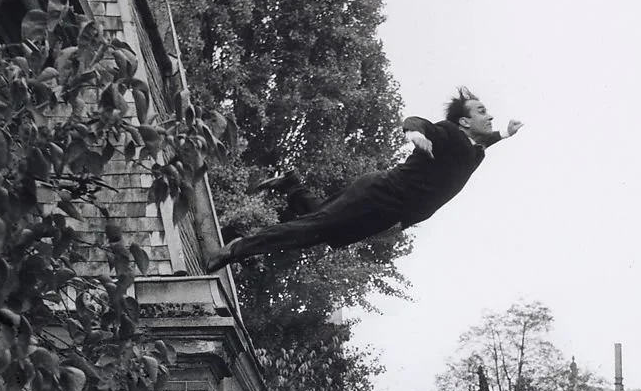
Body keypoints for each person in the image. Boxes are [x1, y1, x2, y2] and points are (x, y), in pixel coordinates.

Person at [206, 88, 523, 271]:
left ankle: (291, 183)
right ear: (465, 121)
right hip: (378, 194)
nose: (490, 116)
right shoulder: (450, 134)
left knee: (322, 225)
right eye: (482, 111)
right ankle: (235, 249)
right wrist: (413, 133)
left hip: (388, 212)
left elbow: (485, 139)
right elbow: (418, 122)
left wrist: (505, 134)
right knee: (314, 229)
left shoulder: (474, 150)